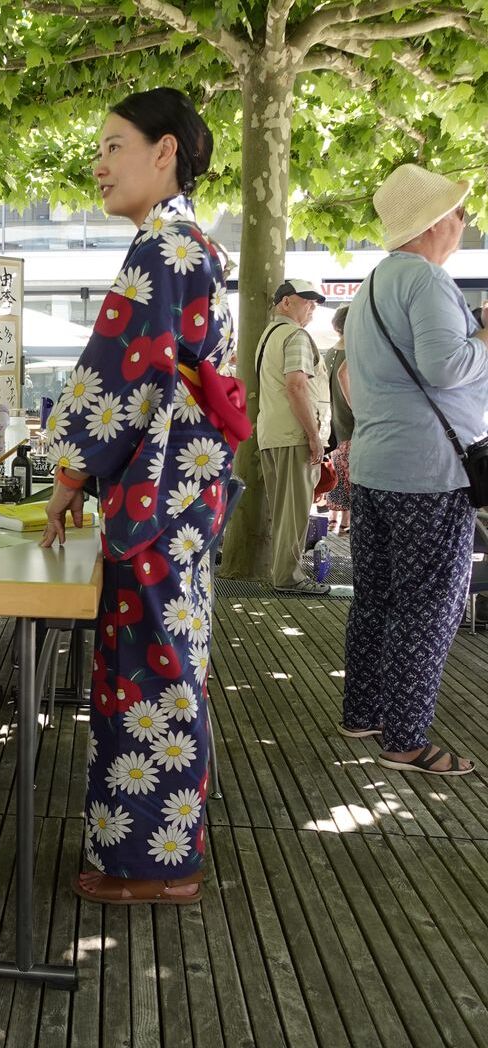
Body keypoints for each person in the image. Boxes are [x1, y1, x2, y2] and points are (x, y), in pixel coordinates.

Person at [41, 87, 244, 905]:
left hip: (159, 495)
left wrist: (66, 476)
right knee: (170, 660)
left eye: (114, 145)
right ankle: (158, 851)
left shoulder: (162, 248)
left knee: (150, 667)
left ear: (166, 153)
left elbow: (121, 374)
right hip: (184, 490)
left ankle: (153, 865)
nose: (98, 163)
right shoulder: (192, 242)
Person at [342, 162, 488, 775]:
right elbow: (446, 367)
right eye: (458, 213)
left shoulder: (376, 282)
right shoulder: (428, 282)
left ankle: (365, 711)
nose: (463, 223)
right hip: (429, 469)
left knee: (376, 595)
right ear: (432, 224)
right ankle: (405, 739)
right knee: (429, 604)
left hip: (377, 463)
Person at [255, 278, 331, 594]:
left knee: (286, 508)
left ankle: (284, 574)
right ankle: (289, 577)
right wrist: (314, 436)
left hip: (272, 432)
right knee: (296, 510)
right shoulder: (295, 335)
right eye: (307, 300)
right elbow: (296, 385)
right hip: (293, 434)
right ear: (287, 302)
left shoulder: (268, 335)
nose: (312, 307)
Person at [325, 306, 353, 534]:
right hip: (351, 425)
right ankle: (345, 524)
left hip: (332, 427)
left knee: (337, 477)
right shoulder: (353, 352)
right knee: (351, 481)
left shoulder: (329, 353)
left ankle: (335, 521)